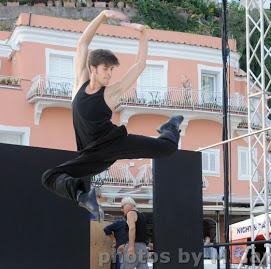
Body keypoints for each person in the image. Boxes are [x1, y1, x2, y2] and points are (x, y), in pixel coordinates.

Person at [41, 10, 184, 221]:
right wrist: (102, 16)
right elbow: (82, 44)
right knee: (49, 176)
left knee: (168, 148)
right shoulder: (79, 83)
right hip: (90, 154)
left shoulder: (110, 92)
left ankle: (169, 128)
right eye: (106, 69)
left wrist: (143, 35)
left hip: (113, 143)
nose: (109, 74)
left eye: (112, 70)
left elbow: (140, 66)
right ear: (93, 69)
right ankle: (83, 195)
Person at [120, 197, 149, 269]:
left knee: (126, 267)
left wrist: (131, 246)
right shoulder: (142, 215)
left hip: (134, 245)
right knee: (143, 267)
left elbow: (132, 229)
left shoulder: (131, 213)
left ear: (128, 205)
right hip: (143, 246)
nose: (122, 209)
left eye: (122, 207)